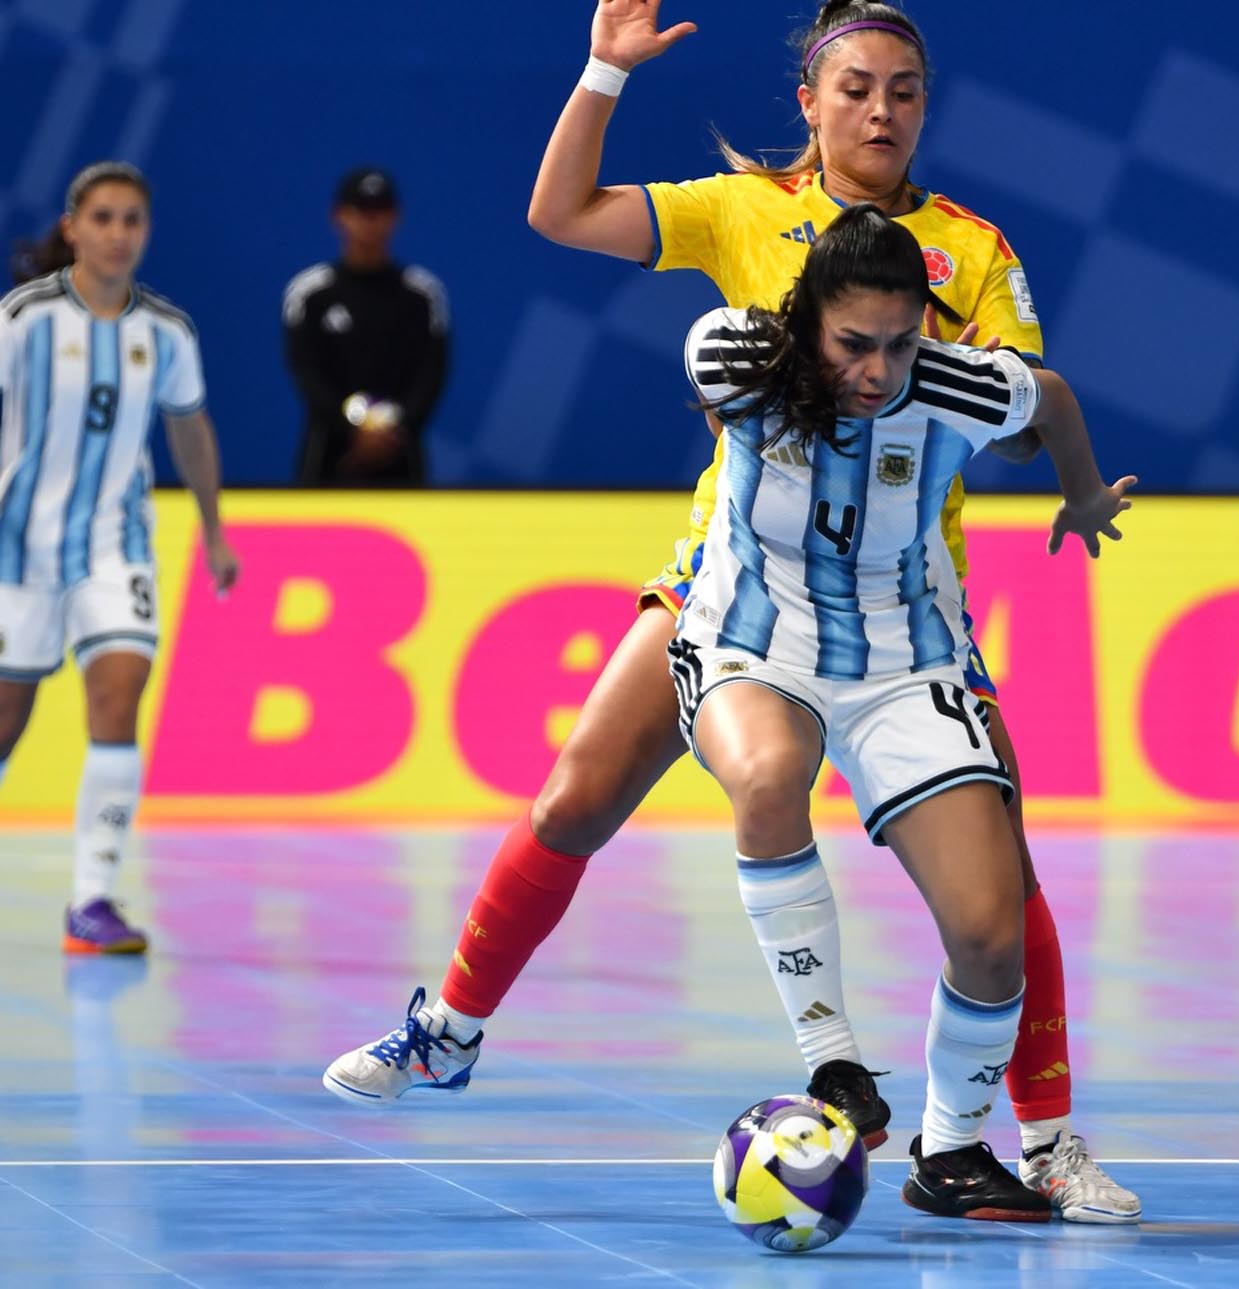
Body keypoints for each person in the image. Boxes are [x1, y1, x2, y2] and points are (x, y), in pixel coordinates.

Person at [323, 0, 1141, 1224]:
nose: (881, 111)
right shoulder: (741, 210)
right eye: (856, 88)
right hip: (735, 570)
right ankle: (449, 1027)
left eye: (905, 90)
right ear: (809, 101)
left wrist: (976, 415)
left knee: (998, 877)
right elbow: (559, 214)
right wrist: (604, 70)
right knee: (571, 802)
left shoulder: (970, 250)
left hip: (904, 598)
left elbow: (1029, 414)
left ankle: (1045, 1138)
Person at [678, 202, 1131, 1217]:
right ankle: (833, 1061)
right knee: (764, 775)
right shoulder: (738, 355)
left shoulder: (954, 379)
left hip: (905, 654)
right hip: (759, 633)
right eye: (852, 345)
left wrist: (1085, 493)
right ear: (806, 322)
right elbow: (716, 382)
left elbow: (1050, 399)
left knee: (990, 928)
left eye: (898, 342)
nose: (878, 371)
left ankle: (953, 1148)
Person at [0, 161, 240, 953]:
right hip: (18, 550)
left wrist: (212, 529)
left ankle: (92, 901)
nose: (117, 233)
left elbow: (189, 429)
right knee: (6, 722)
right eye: (102, 218)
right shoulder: (24, 317)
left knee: (119, 692)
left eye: (132, 219)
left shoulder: (164, 331)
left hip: (117, 547)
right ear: (72, 227)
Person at [283, 167, 449, 485]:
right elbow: (306, 372)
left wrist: (393, 426)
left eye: (380, 210)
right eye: (360, 210)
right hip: (328, 454)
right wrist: (351, 429)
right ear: (339, 216)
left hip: (400, 451)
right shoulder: (310, 293)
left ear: (395, 216)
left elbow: (431, 373)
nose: (370, 221)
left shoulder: (422, 294)